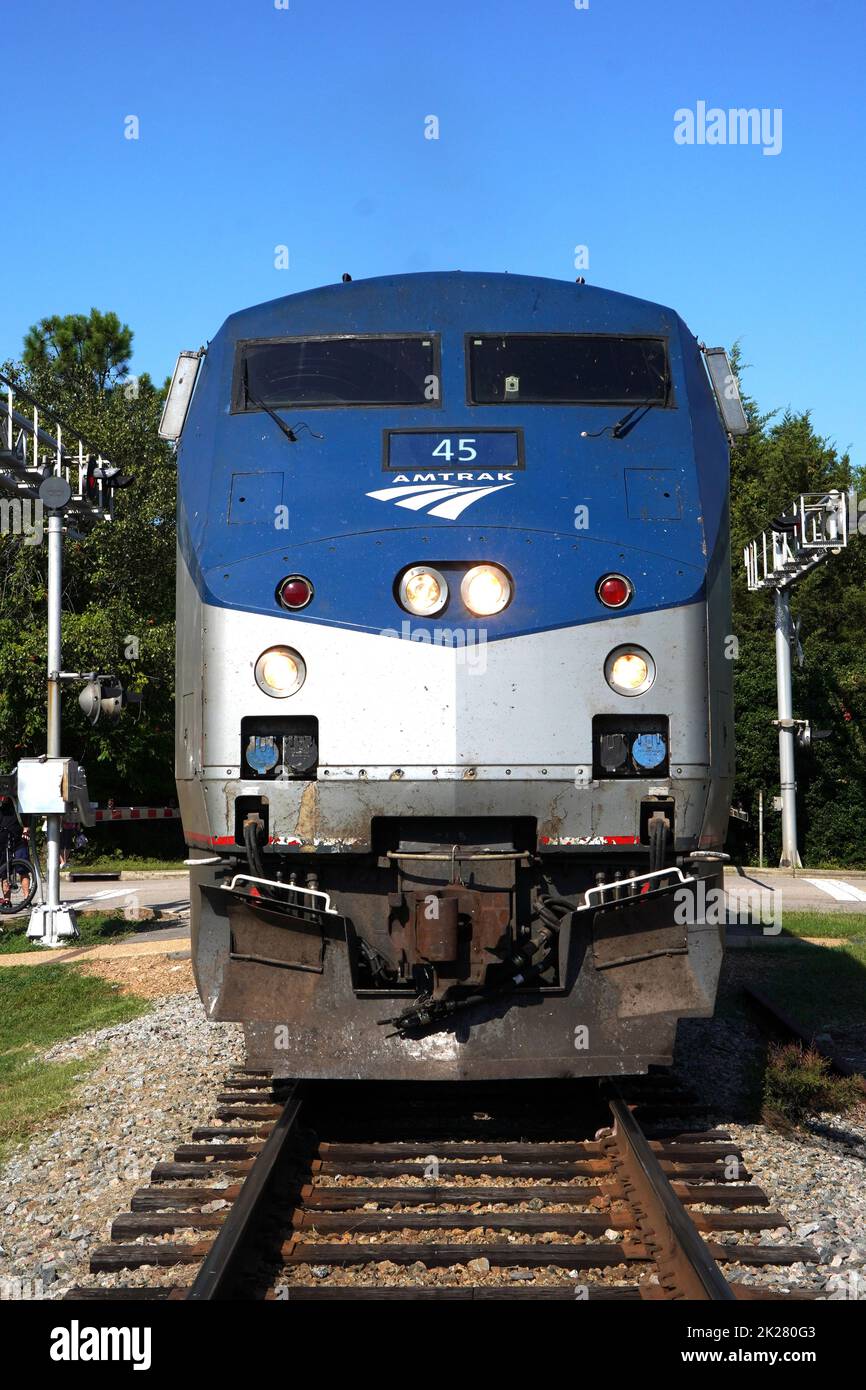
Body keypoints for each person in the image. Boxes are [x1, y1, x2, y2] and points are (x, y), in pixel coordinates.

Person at [0, 797, 30, 908]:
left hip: (19, 839)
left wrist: (26, 828)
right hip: (2, 841)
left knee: (23, 868)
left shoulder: (18, 802)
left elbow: (27, 815)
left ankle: (27, 898)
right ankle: (7, 900)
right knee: (4, 872)